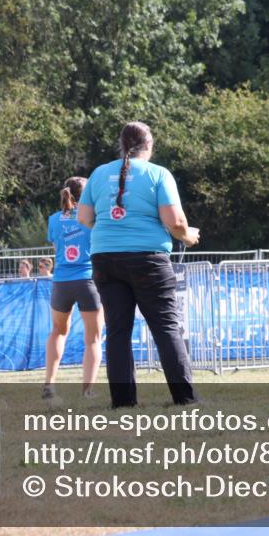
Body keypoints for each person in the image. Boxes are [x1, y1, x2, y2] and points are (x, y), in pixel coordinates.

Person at [78, 122, 200, 408]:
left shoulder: (98, 174)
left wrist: (111, 228)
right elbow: (176, 222)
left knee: (118, 332)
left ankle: (123, 403)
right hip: (148, 259)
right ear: (150, 145)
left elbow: (84, 217)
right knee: (166, 328)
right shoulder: (158, 174)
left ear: (122, 145)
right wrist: (188, 236)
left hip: (105, 258)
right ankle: (185, 398)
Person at [44, 177, 105, 402]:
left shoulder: (53, 219)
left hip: (61, 281)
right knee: (93, 339)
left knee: (58, 332)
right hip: (88, 280)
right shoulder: (93, 217)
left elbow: (56, 246)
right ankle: (87, 392)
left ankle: (49, 384)